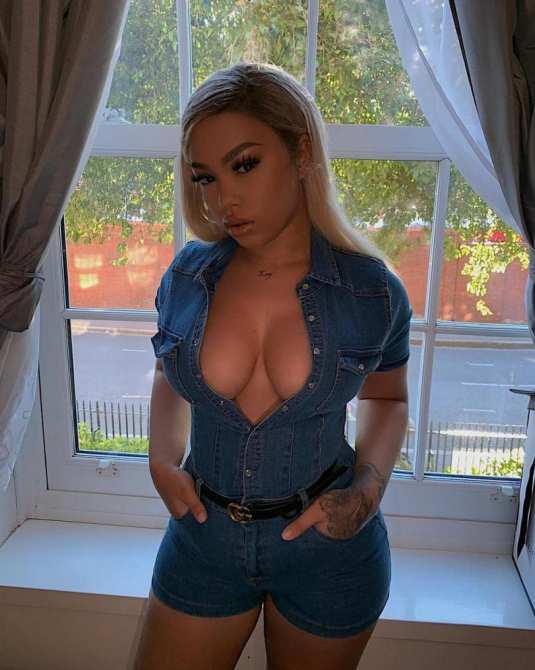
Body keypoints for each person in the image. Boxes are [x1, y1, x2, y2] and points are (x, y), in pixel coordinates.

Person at [129, 61, 412, 670]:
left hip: (329, 551)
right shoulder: (186, 277)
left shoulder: (372, 292)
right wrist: (161, 461)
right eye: (205, 177)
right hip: (202, 539)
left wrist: (366, 492)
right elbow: (167, 373)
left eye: (244, 164)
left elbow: (387, 399)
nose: (222, 199)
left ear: (301, 152)